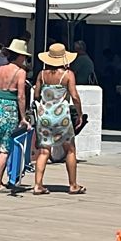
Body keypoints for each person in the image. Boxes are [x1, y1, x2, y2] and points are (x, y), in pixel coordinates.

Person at [30, 43, 87, 195]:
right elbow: (74, 96)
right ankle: (73, 185)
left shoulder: (42, 74)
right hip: (61, 116)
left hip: (44, 116)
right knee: (70, 149)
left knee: (43, 151)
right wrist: (80, 114)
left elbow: (36, 95)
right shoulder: (67, 75)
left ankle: (37, 185)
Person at [0, 39, 31, 195]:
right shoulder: (20, 72)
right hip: (8, 107)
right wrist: (23, 117)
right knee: (5, 148)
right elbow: (21, 96)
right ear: (19, 56)